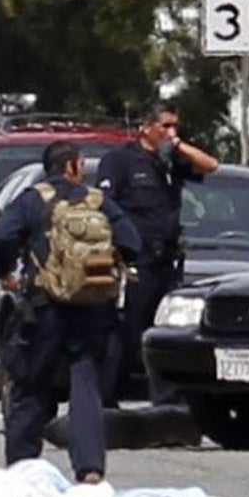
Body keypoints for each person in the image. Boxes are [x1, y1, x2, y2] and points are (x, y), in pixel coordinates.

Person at [0, 141, 140, 484]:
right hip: (92, 310)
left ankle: (22, 467)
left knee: (31, 384)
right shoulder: (99, 202)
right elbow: (132, 243)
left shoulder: (31, 200)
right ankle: (89, 468)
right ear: (73, 166)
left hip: (44, 309)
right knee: (85, 386)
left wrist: (4, 272)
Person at [96, 103, 218, 405]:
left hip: (167, 261)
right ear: (145, 127)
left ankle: (166, 406)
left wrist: (176, 145)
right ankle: (106, 400)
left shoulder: (171, 162)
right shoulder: (120, 161)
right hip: (137, 261)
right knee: (127, 332)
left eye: (175, 125)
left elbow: (211, 165)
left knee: (166, 331)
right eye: (165, 126)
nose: (171, 132)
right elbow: (105, 206)